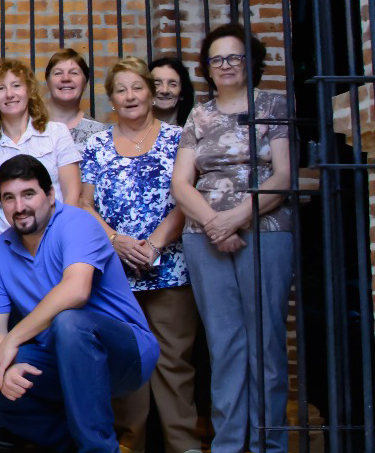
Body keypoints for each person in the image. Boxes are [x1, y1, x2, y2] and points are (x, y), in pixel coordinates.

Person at [0, 154, 159, 453]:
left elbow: (76, 291)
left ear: (51, 195)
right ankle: (69, 445)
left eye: (29, 194)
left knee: (69, 322)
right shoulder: (0, 251)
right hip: (59, 357)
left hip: (124, 354)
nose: (20, 207)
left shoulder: (76, 223)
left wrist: (13, 339)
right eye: (9, 198)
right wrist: (4, 364)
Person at [171, 23, 293, 453]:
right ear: (206, 68)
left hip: (267, 230)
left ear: (251, 62)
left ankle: (269, 445)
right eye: (216, 59)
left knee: (266, 344)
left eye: (234, 57)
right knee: (224, 346)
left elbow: (283, 175)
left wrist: (236, 218)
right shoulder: (199, 115)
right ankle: (227, 445)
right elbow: (181, 184)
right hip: (203, 236)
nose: (225, 66)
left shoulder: (274, 105)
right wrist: (213, 223)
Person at [80, 57, 203, 453]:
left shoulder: (178, 137)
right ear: (111, 99)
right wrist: (115, 239)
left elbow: (188, 198)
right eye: (120, 89)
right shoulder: (96, 143)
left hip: (170, 267)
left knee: (174, 365)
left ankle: (182, 446)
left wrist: (154, 245)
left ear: (151, 92)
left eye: (137, 87)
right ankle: (129, 446)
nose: (129, 95)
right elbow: (83, 204)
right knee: (127, 363)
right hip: (115, 274)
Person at [0, 59, 82, 263]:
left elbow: (72, 196)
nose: (9, 94)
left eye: (16, 86)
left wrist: (66, 243)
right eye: (1, 88)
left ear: (29, 91)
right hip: (8, 246)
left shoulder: (56, 133)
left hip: (55, 241)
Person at [45, 48, 108, 146]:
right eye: (58, 73)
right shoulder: (27, 124)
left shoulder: (99, 134)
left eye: (74, 73)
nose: (66, 78)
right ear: (48, 82)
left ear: (85, 82)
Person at [150, 56, 196, 126]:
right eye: (157, 84)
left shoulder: (196, 128)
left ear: (182, 91)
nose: (164, 90)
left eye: (172, 84)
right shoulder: (134, 127)